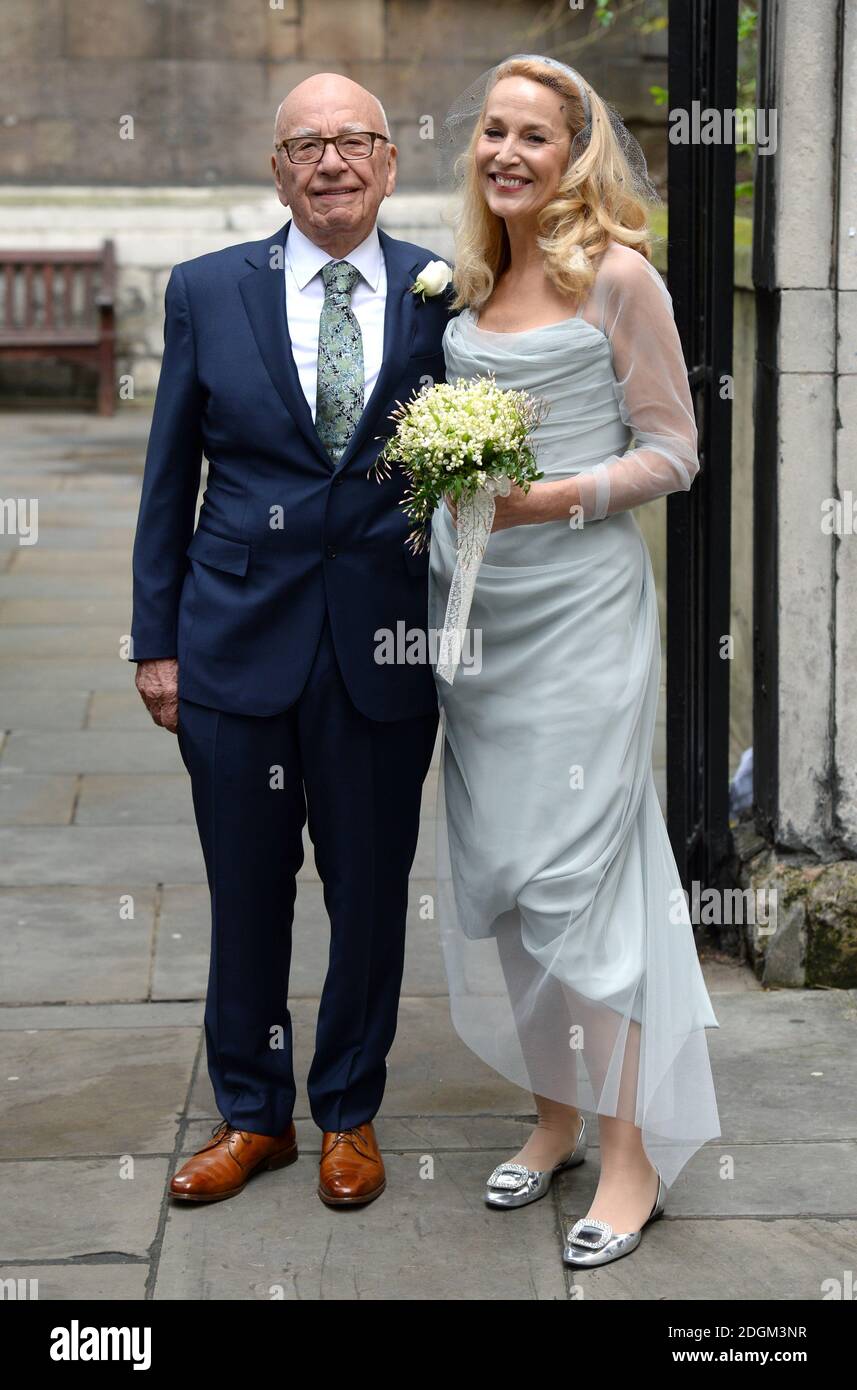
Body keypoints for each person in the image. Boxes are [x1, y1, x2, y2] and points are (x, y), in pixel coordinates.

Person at [131, 73, 454, 1207]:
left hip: (383, 646)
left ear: (387, 161)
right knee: (246, 886)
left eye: (353, 141)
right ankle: (252, 1113)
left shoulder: (439, 293)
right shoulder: (208, 290)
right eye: (305, 145)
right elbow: (170, 475)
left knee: (367, 891)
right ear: (277, 170)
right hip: (231, 640)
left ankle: (349, 1114)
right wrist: (152, 638)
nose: (330, 162)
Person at [428, 54, 721, 1269]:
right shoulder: (469, 280)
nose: (505, 152)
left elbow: (672, 451)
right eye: (491, 132)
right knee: (501, 871)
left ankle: (629, 1154)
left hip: (581, 616)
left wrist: (549, 500)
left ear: (574, 153)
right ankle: (551, 1116)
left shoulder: (618, 278)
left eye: (531, 137)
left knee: (579, 878)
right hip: (476, 619)